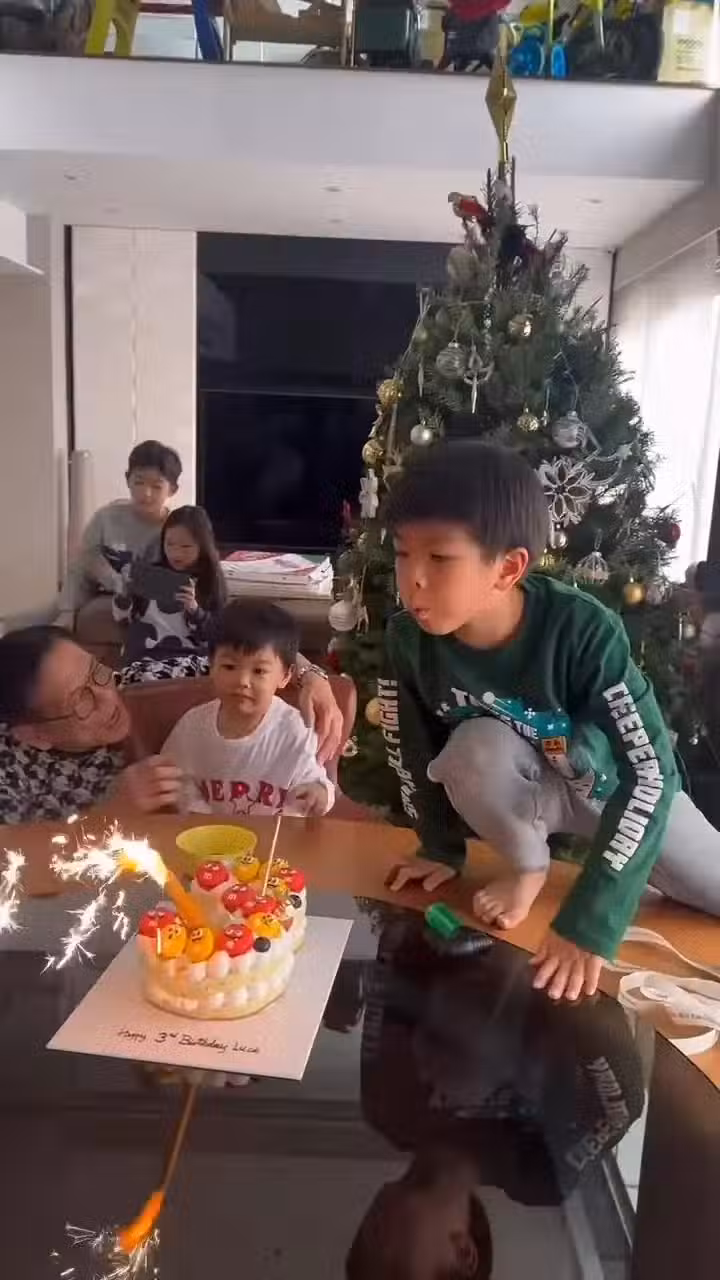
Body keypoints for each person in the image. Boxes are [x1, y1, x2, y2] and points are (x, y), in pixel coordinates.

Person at [378, 441, 720, 1001]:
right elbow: (412, 749)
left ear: (507, 568)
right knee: (472, 747)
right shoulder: (406, 639)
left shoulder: (582, 629)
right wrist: (438, 847)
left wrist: (593, 919)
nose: (412, 578)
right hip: (525, 792)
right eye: (402, 553)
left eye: (439, 558)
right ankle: (528, 867)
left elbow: (649, 774)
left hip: (613, 789)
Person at [345, 914, 644, 1280]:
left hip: (463, 909)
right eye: (393, 1265)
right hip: (576, 935)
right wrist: (570, 997)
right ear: (463, 1253)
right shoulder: (538, 1175)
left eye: (362, 1245)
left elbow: (393, 959)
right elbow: (621, 1107)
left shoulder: (387, 1107)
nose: (373, 1239)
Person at [0, 624, 343, 824]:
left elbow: (247, 656)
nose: (108, 695)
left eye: (96, 671)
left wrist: (312, 676)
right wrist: (112, 812)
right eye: (81, 700)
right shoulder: (12, 770)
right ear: (35, 734)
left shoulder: (140, 679)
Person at [162, 600, 335, 818]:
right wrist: (184, 801)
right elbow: (175, 782)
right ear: (212, 666)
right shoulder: (192, 727)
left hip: (279, 836)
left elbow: (319, 783)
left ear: (285, 676)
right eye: (229, 667)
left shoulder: (297, 730)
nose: (243, 681)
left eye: (259, 671)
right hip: (212, 834)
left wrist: (319, 795)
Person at [57, 439, 182, 624]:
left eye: (156, 486)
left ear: (172, 490)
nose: (146, 493)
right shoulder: (107, 517)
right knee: (78, 566)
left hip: (148, 596)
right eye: (139, 482)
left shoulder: (177, 527)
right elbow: (88, 558)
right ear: (127, 479)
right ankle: (66, 616)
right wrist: (113, 580)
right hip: (105, 586)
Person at [113, 504, 226, 677]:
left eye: (186, 546)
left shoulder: (210, 580)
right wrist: (123, 594)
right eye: (170, 544)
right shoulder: (150, 574)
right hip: (147, 658)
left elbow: (216, 636)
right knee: (145, 677)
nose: (176, 553)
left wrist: (194, 610)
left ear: (202, 547)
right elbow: (122, 619)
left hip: (190, 660)